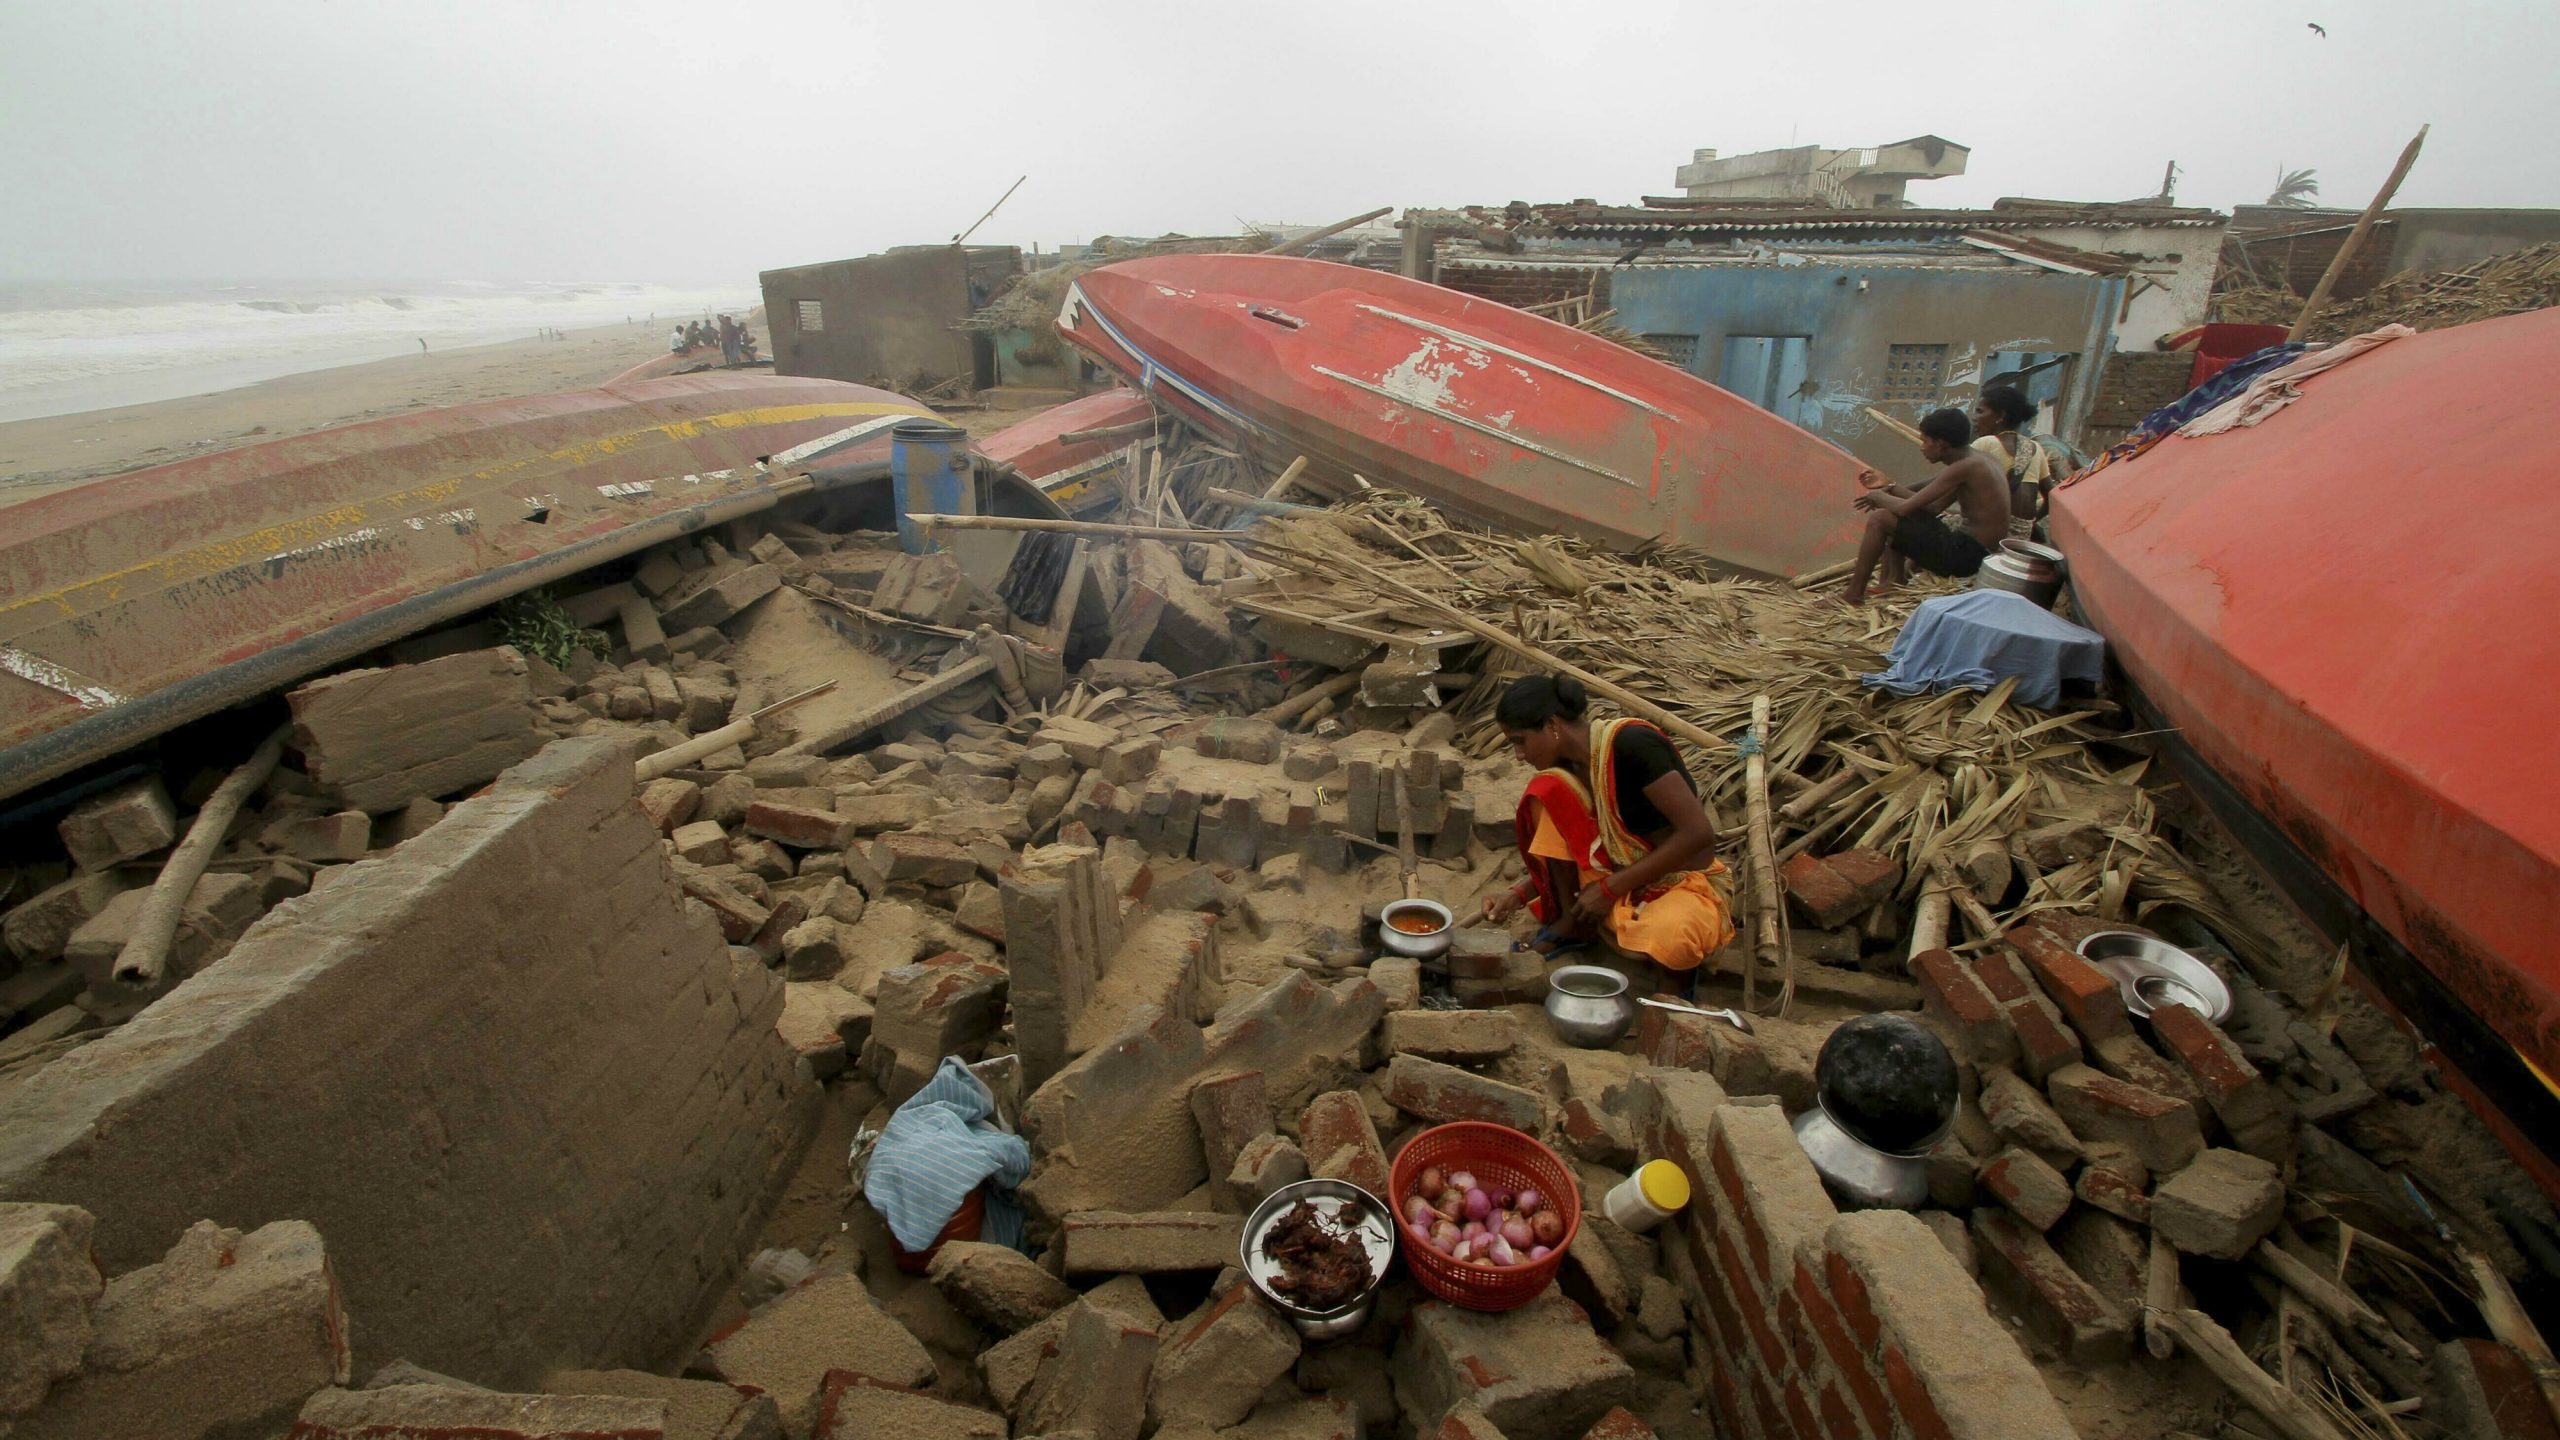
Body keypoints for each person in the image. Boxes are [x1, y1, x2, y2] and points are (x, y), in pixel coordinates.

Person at [1479, 675, 1734, 996]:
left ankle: (1673, 997)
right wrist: (1517, 894)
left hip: (1679, 880)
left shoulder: (1633, 746)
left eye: (1520, 740)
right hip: (1618, 880)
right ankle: (1574, 924)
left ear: (1553, 725)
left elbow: (1698, 835)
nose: (1518, 755)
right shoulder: (1569, 768)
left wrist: (1610, 888)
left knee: (1673, 934)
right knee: (1548, 791)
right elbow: (1581, 851)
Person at [1843, 407, 2010, 604]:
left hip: (1967, 555)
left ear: (1941, 444)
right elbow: (1932, 504)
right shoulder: (1978, 460)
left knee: (1880, 518)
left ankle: (1853, 595)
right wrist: (1888, 486)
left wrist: (1879, 495)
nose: (1922, 447)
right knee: (1898, 513)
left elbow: (1906, 507)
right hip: (1978, 551)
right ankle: (1893, 581)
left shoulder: (1964, 467)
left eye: (1925, 441)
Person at [1970, 385, 2049, 538]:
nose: (1974, 417)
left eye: (1980, 411)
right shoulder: (2036, 448)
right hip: (2021, 537)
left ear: (2000, 416)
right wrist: (2029, 523)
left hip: (1990, 535)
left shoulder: (1987, 443)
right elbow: (2051, 496)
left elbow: (1944, 485)